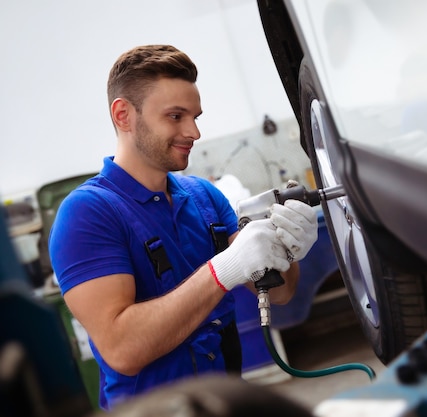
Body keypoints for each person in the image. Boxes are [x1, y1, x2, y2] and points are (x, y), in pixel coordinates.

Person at [49, 44, 318, 410]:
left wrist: (288, 249)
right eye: (175, 116)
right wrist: (223, 270)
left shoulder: (204, 196)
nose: (193, 131)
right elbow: (122, 348)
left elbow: (280, 292)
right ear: (124, 115)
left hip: (221, 400)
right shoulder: (87, 213)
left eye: (195, 116)